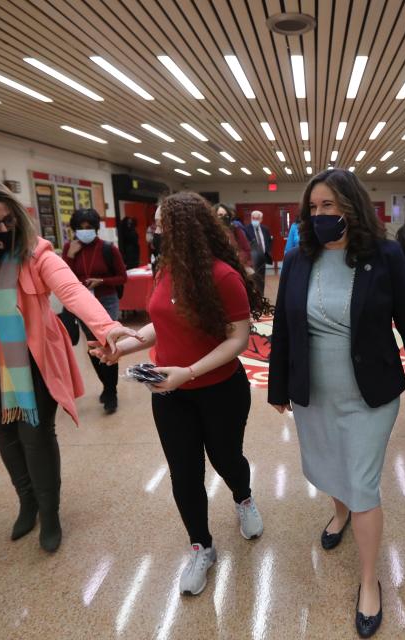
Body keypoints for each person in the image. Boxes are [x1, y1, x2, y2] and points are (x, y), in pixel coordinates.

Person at [0, 178, 136, 553]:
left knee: (36, 438)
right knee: (4, 437)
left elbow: (72, 290)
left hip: (32, 366)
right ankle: (27, 502)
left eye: (7, 221)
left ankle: (49, 512)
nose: (2, 230)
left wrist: (108, 326)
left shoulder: (34, 252)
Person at [268, 169, 405, 639]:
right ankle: (338, 511)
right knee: (328, 464)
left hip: (369, 392)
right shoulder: (299, 258)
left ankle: (369, 582)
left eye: (329, 205)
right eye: (313, 207)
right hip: (314, 392)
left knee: (363, 482)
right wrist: (278, 387)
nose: (320, 214)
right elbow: (284, 326)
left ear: (351, 207)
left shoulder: (383, 255)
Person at [97, 192, 269, 598]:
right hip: (169, 394)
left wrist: (188, 372)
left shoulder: (223, 276)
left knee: (226, 457)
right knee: (184, 472)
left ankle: (243, 498)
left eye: (162, 225)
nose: (156, 232)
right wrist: (125, 345)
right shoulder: (166, 270)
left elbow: (238, 338)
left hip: (220, 390)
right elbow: (161, 321)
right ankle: (201, 547)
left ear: (186, 229)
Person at [63, 208, 128, 415]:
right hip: (81, 303)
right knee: (92, 345)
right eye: (80, 228)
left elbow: (122, 277)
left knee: (107, 342)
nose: (85, 231)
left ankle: (111, 391)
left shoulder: (108, 248)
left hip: (106, 299)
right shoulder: (70, 249)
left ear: (96, 228)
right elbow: (63, 279)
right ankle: (106, 385)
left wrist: (102, 281)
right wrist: (70, 256)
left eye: (89, 227)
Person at [214, 203, 252, 267]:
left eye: (226, 215)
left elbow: (246, 249)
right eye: (220, 215)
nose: (223, 217)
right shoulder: (210, 232)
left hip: (237, 266)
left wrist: (238, 258)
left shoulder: (235, 229)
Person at [248, 210, 274, 293]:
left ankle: (261, 296)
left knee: (261, 279)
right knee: (252, 279)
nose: (255, 220)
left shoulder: (265, 229)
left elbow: (269, 241)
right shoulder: (246, 229)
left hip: (263, 259)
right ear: (251, 218)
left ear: (261, 219)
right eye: (253, 218)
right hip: (252, 259)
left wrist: (268, 251)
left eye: (257, 218)